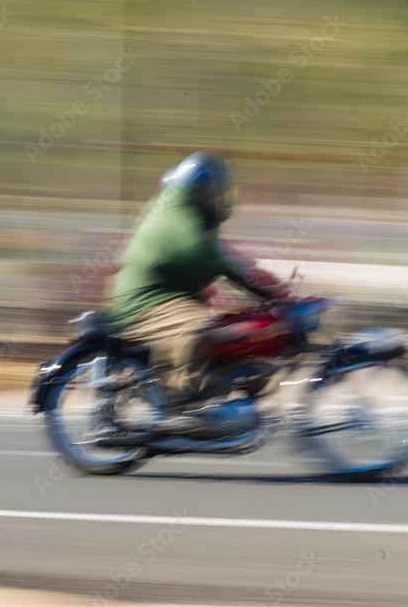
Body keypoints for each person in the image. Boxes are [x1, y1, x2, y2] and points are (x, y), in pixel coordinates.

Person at [105, 150, 291, 432]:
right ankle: (174, 405)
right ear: (205, 189)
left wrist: (273, 291)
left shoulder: (192, 221)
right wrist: (260, 287)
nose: (222, 199)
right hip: (146, 303)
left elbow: (228, 258)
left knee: (241, 330)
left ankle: (217, 397)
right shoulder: (175, 215)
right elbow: (212, 257)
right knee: (199, 329)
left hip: (171, 299)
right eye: (218, 192)